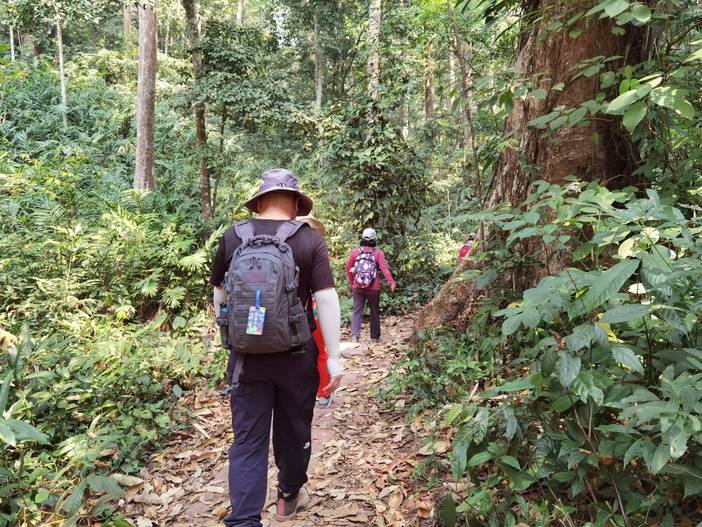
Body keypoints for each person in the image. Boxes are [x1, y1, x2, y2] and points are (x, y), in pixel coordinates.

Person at [210, 169, 343, 526]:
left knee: (247, 441)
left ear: (258, 202)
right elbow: (326, 299)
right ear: (296, 204)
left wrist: (236, 337)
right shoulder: (309, 239)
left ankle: (244, 520)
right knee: (294, 430)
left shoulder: (232, 236)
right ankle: (288, 495)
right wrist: (334, 357)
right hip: (296, 357)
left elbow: (220, 295)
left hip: (246, 359)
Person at [296, 215, 335, 409]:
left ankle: (322, 390)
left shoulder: (283, 247)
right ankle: (322, 391)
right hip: (308, 310)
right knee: (317, 352)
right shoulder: (313, 249)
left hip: (301, 311)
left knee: (313, 351)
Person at [345, 228, 396, 343]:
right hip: (374, 287)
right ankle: (375, 337)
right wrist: (391, 282)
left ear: (362, 239)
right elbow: (384, 269)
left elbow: (348, 268)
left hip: (357, 286)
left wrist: (353, 282)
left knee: (357, 310)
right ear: (374, 240)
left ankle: (355, 336)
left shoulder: (355, 252)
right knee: (374, 310)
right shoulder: (378, 253)